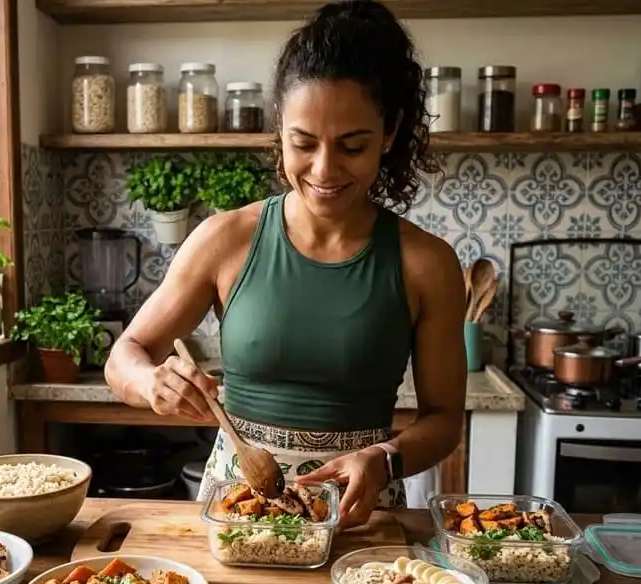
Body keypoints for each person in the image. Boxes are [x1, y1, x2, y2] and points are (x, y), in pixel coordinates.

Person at [105, 0, 466, 530]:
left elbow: (444, 421)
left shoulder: (427, 263)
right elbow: (125, 356)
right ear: (279, 128)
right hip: (236, 514)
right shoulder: (225, 239)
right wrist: (150, 384)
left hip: (358, 519)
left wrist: (385, 458)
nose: (324, 169)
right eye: (303, 143)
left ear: (389, 134)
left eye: (352, 146)